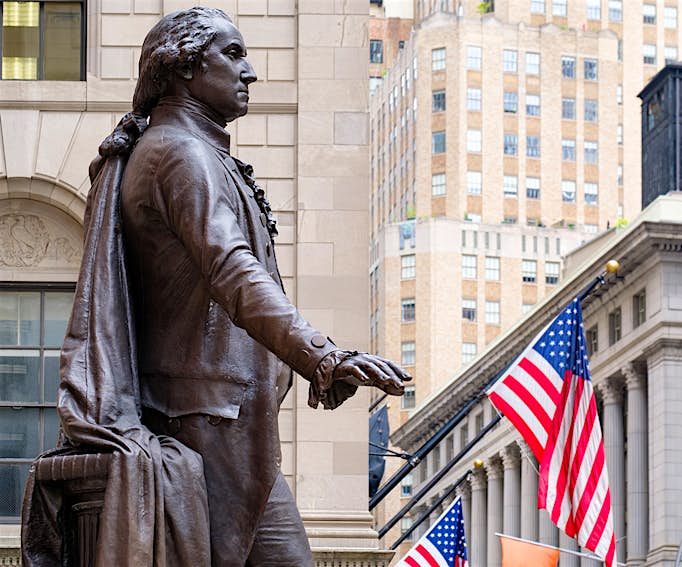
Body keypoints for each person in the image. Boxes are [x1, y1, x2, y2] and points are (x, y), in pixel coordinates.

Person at [23, 7, 410, 567]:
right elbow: (234, 271)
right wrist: (322, 357)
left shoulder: (187, 152)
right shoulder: (179, 154)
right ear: (184, 68)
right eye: (232, 54)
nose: (249, 71)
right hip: (206, 426)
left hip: (220, 423)